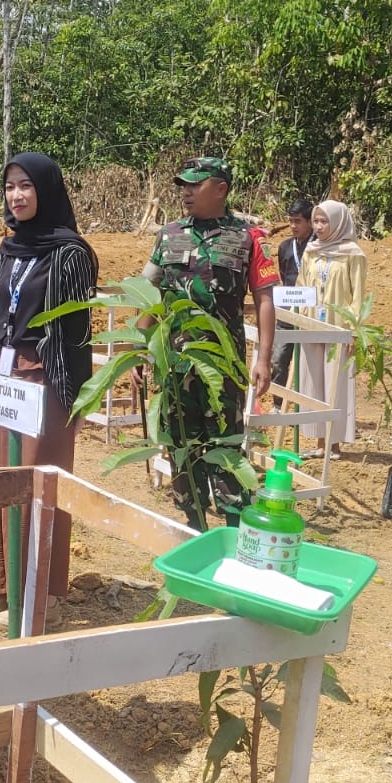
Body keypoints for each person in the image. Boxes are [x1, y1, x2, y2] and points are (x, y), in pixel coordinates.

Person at [0, 154, 98, 627]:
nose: (16, 196)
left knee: (37, 483)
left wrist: (76, 395)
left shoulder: (70, 253)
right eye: (9, 187)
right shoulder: (10, 248)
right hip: (0, 375)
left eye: (26, 186)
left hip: (43, 377)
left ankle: (40, 595)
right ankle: (5, 586)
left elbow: (76, 331)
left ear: (45, 190)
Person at [140, 157, 278, 528]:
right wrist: (140, 348)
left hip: (223, 366)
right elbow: (147, 293)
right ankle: (194, 531)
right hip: (175, 363)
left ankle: (234, 536)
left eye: (194, 184)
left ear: (221, 189)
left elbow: (265, 299)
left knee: (227, 447)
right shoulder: (168, 235)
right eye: (182, 185)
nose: (185, 192)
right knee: (181, 448)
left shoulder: (250, 239)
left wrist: (264, 359)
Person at [296, 200, 366, 454]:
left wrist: (354, 330)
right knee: (313, 382)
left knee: (336, 384)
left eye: (324, 221)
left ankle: (334, 444)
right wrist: (301, 317)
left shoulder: (352, 254)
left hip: (339, 328)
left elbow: (357, 295)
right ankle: (319, 442)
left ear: (338, 222)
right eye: (316, 221)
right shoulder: (311, 251)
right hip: (312, 325)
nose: (319, 226)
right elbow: (302, 286)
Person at [269, 197, 314, 394]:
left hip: (310, 313)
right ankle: (278, 404)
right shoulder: (285, 247)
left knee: (308, 365)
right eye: (291, 221)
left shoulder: (318, 247)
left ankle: (305, 406)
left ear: (310, 222)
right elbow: (283, 275)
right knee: (279, 360)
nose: (293, 226)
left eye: (298, 221)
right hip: (286, 312)